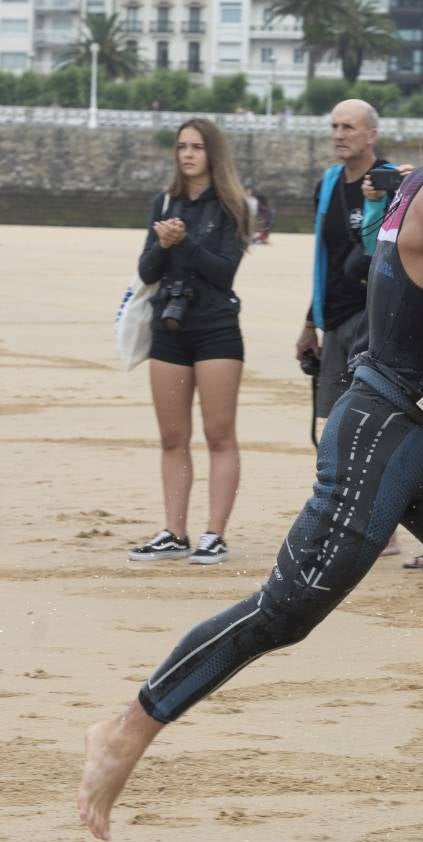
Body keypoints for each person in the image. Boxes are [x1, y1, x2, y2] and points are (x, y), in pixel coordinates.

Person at [79, 38, 423, 842]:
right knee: (288, 609)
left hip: (419, 434)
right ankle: (126, 729)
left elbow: (421, 330)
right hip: (384, 433)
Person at [126, 118, 251, 566]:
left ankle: (214, 533)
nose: (187, 154)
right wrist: (163, 245)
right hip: (170, 331)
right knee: (172, 436)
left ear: (212, 153)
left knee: (219, 435)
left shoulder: (234, 205)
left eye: (196, 146)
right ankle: (173, 531)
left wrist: (183, 243)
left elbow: (223, 271)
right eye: (181, 146)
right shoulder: (165, 201)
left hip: (217, 329)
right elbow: (146, 272)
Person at [294, 98, 406, 557]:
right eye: (334, 125)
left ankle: (384, 530)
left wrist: (390, 195)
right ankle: (347, 518)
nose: (339, 134)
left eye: (349, 127)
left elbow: (398, 253)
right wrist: (310, 322)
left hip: (375, 322)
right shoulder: (328, 182)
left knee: (371, 427)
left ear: (370, 135)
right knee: (332, 428)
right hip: (334, 319)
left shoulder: (389, 180)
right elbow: (322, 258)